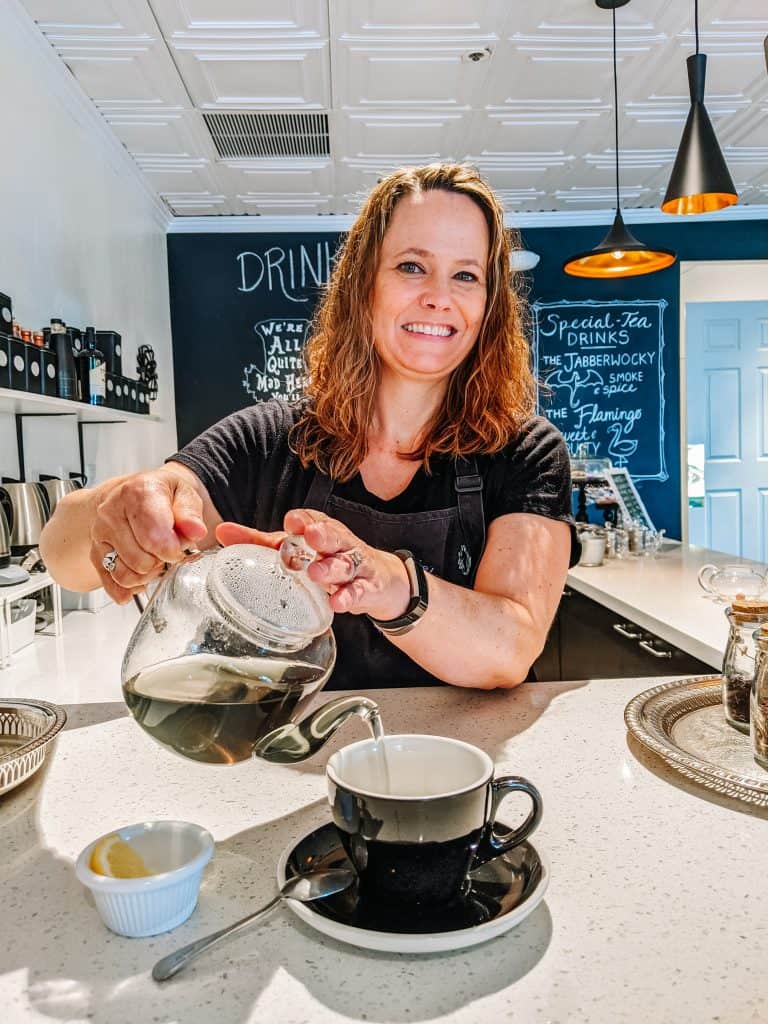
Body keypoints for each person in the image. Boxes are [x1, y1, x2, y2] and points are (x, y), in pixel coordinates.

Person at [40, 163, 578, 692]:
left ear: (489, 306)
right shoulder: (269, 440)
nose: (439, 295)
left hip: (462, 765)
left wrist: (382, 579)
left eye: (466, 274)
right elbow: (62, 556)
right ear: (363, 286)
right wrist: (128, 505)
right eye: (412, 266)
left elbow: (511, 649)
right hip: (298, 756)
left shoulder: (526, 451)